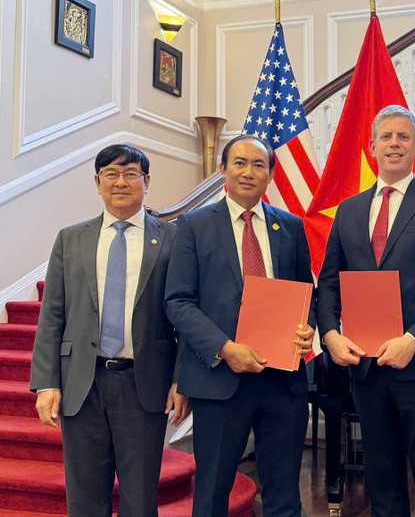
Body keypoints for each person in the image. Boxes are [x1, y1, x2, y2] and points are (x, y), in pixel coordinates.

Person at [317, 105, 415, 517]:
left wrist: (413, 340)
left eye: (403, 137)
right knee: (380, 472)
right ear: (371, 148)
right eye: (385, 137)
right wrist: (330, 335)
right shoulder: (348, 211)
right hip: (365, 366)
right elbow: (329, 281)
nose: (394, 144)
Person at [29, 144, 189, 516]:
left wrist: (182, 380)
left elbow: (184, 314)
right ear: (97, 183)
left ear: (146, 182)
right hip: (82, 383)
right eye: (111, 174)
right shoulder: (71, 239)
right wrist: (47, 382)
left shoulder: (174, 239)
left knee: (139, 495)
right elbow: (52, 314)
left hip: (144, 384)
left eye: (131, 174)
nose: (121, 182)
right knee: (84, 496)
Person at [164, 135, 315, 517]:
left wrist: (307, 329)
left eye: (259, 165)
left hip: (282, 381)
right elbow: (178, 302)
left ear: (269, 176)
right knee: (212, 493)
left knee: (284, 495)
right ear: (223, 171)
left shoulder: (292, 228)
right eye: (240, 163)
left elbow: (304, 294)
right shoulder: (194, 226)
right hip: (220, 382)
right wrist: (225, 348)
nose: (249, 172)